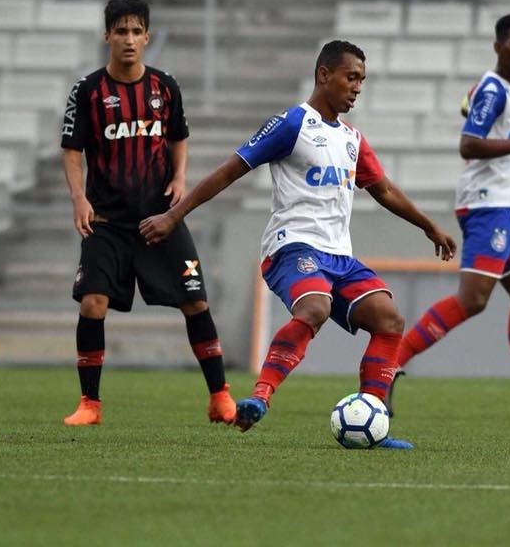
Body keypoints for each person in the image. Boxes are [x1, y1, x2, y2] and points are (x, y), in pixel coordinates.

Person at [139, 40, 457, 448]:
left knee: (389, 320)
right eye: (350, 77)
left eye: (361, 79)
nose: (357, 87)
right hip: (291, 249)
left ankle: (372, 418)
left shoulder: (352, 139)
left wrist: (428, 226)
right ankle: (259, 397)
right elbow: (229, 171)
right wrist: (173, 215)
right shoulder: (292, 123)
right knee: (315, 306)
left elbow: (385, 190)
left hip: (339, 255)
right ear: (324, 75)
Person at [386, 13, 510, 422]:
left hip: (509, 204)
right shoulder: (493, 90)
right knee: (473, 300)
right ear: (499, 47)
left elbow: (504, 121)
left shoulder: (509, 89)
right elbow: (468, 145)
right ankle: (388, 363)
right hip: (485, 204)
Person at [60, 0, 236, 426]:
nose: (129, 39)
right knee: (92, 304)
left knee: (195, 301)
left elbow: (178, 137)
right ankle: (90, 404)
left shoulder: (164, 86)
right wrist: (79, 198)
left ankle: (220, 397)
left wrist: (179, 178)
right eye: (121, 31)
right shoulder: (87, 91)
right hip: (106, 222)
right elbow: (71, 151)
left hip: (161, 219)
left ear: (147, 37)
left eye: (137, 31)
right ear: (107, 36)